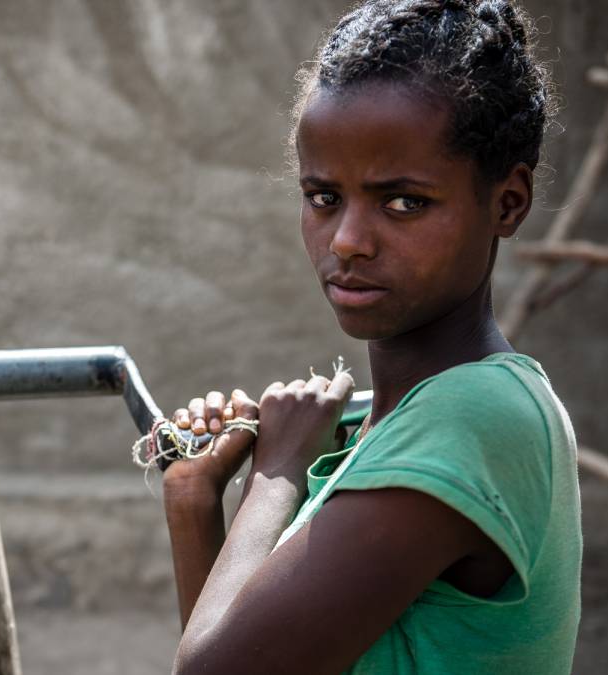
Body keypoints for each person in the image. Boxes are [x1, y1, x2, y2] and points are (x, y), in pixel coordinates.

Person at [158, 1, 581, 672]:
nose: (348, 240)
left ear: (508, 202)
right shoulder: (389, 429)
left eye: (404, 201)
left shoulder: (473, 416)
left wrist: (277, 473)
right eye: (323, 197)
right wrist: (193, 502)